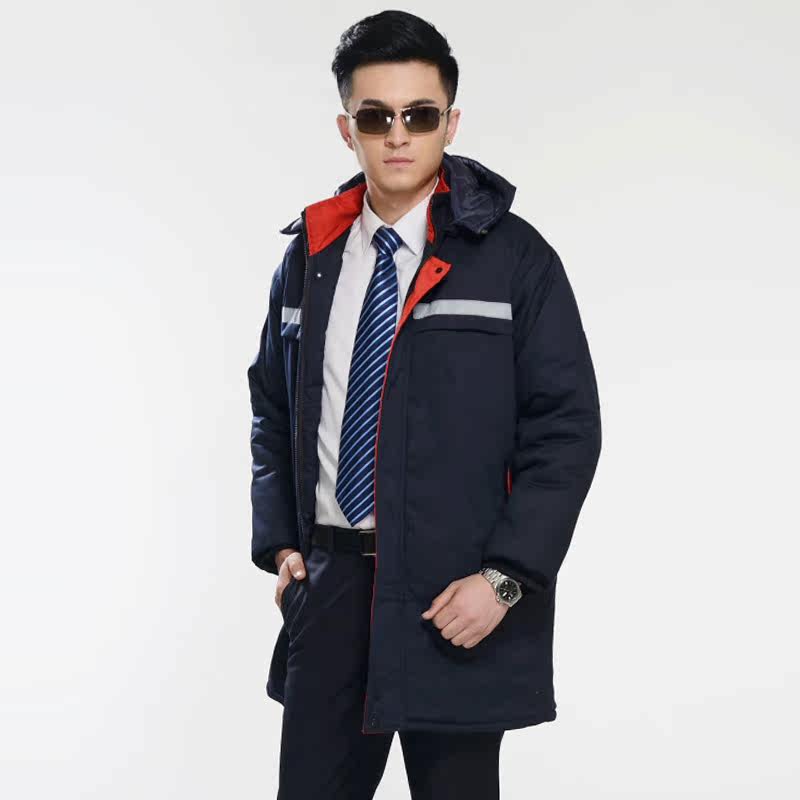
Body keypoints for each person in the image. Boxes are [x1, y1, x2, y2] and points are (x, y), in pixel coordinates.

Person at [247, 10, 602, 799]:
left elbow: (567, 431)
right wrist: (281, 547)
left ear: (451, 122)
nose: (398, 135)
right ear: (347, 129)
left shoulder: (514, 260)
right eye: (376, 117)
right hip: (331, 590)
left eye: (420, 115)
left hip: (455, 597)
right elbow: (271, 405)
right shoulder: (308, 257)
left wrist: (506, 579)